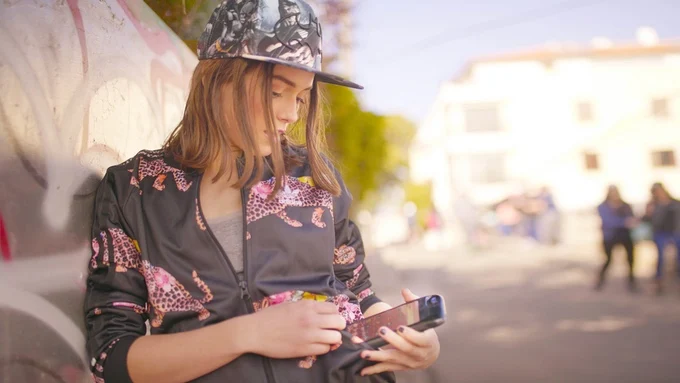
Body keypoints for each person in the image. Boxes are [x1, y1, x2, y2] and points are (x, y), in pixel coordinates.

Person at [83, 1, 440, 382]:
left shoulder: (314, 179)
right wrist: (248, 334)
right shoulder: (134, 191)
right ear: (217, 78)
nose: (292, 113)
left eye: (301, 97)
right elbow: (113, 357)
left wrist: (412, 341)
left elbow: (359, 294)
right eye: (275, 92)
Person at [595, 185, 636, 291]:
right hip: (610, 236)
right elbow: (608, 221)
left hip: (624, 235)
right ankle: (600, 281)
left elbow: (631, 218)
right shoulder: (603, 206)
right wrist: (624, 222)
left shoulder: (625, 206)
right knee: (608, 259)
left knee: (630, 259)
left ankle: (631, 282)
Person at [643, 182, 680, 294]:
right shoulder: (653, 204)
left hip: (675, 232)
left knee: (678, 258)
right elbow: (646, 219)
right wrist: (648, 214)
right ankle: (659, 282)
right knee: (661, 258)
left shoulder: (675, 202)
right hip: (660, 233)